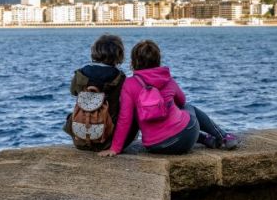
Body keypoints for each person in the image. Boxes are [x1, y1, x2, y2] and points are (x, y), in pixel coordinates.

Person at [99, 40, 238, 156]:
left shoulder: (129, 84)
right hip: (186, 137)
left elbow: (125, 119)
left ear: (133, 62)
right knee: (188, 108)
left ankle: (206, 139)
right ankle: (223, 136)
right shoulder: (167, 79)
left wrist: (115, 148)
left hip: (155, 146)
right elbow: (182, 101)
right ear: (158, 59)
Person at [63, 34, 137, 151]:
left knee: (70, 116)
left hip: (80, 139)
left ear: (95, 52)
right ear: (118, 54)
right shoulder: (120, 78)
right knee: (133, 116)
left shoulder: (81, 74)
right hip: (107, 141)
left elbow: (73, 92)